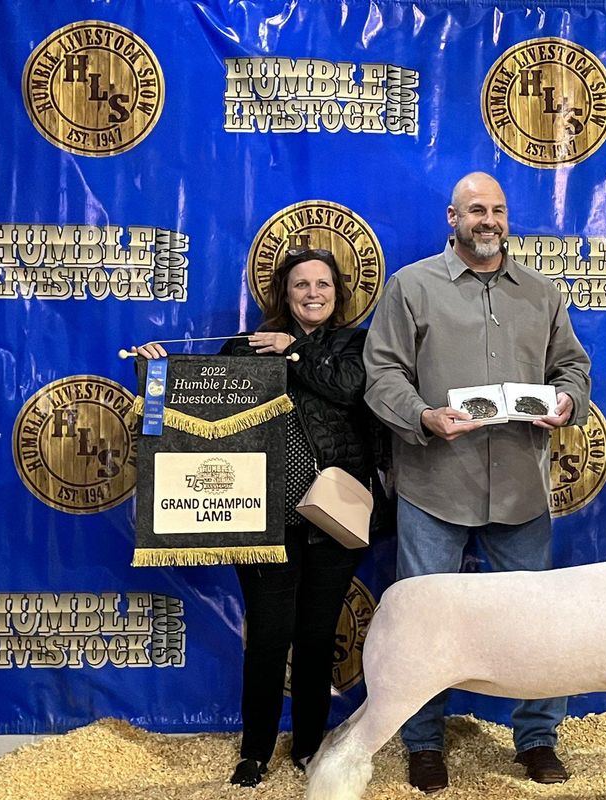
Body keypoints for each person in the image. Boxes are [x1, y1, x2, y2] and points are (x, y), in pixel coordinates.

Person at [362, 172, 592, 793]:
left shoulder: (542, 294)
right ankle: (423, 742)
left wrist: (567, 403)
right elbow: (382, 375)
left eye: (497, 210)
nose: (488, 220)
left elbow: (571, 366)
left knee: (540, 622)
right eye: (475, 210)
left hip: (521, 488)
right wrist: (423, 417)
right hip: (436, 483)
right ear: (452, 218)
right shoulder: (411, 287)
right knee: (423, 625)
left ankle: (538, 740)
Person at [133, 246, 379, 788]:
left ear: (337, 294)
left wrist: (296, 351)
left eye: (323, 284)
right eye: (301, 285)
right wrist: (155, 374)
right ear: (282, 294)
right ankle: (256, 750)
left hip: (335, 517)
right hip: (260, 515)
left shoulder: (356, 344)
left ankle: (312, 745)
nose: (313, 293)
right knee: (269, 636)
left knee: (317, 638)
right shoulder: (241, 349)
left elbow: (348, 388)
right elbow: (195, 414)